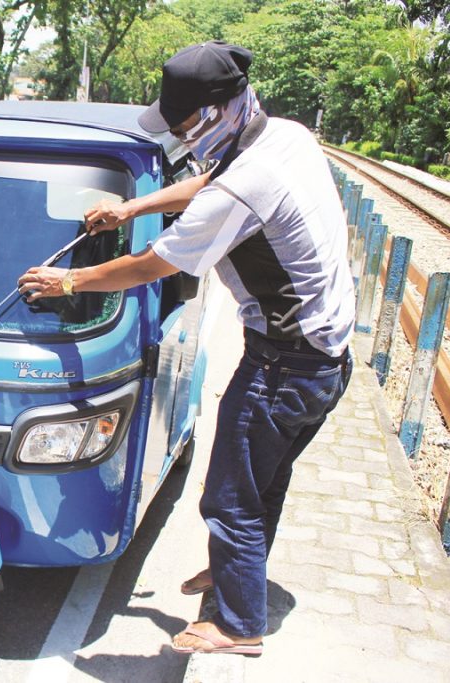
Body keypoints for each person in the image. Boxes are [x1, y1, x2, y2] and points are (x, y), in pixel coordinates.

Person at [18, 41, 355, 656]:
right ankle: (236, 578)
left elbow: (153, 264)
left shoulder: (244, 186)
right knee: (262, 482)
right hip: (325, 359)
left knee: (228, 496)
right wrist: (134, 205)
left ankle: (237, 624)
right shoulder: (283, 136)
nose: (176, 135)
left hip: (285, 363)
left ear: (217, 111)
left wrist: (67, 281)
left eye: (179, 124)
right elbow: (210, 180)